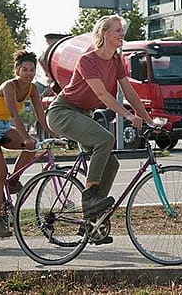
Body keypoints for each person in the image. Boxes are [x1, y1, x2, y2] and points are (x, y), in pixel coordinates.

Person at [46, 14, 155, 244]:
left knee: (111, 162)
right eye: (117, 30)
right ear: (104, 34)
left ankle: (93, 221)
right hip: (62, 112)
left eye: (121, 30)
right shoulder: (88, 60)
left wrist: (148, 119)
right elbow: (102, 95)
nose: (121, 34)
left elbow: (129, 92)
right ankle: (90, 198)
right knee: (105, 140)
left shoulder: (116, 60)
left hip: (82, 114)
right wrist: (126, 114)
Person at [0, 49, 56, 238]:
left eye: (32, 70)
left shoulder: (32, 88)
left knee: (32, 147)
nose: (29, 73)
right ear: (17, 70)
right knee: (0, 174)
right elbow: (14, 114)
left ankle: (13, 183)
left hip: (3, 127)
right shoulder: (8, 86)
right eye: (25, 69)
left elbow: (40, 114)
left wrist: (53, 133)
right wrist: (26, 136)